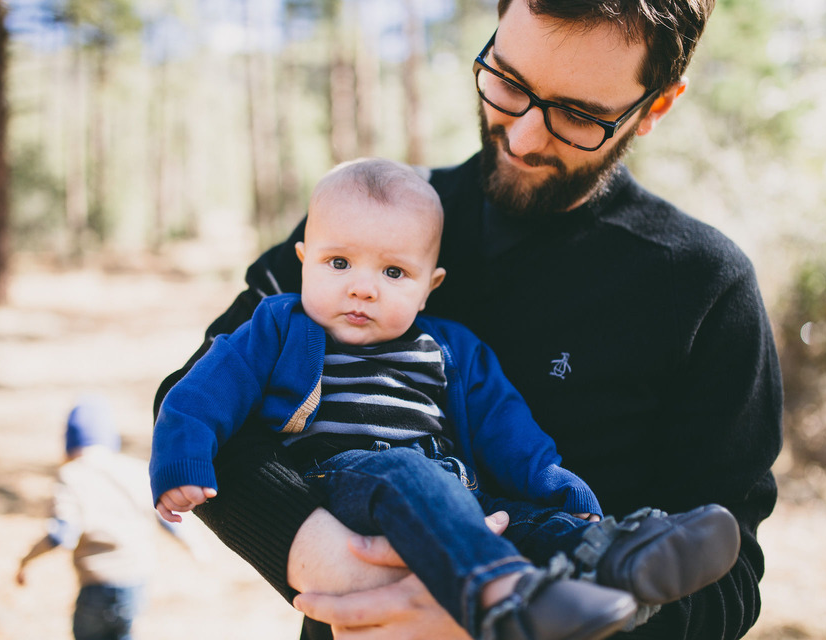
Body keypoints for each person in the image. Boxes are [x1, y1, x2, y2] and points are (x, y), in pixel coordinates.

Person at [153, 1, 784, 639]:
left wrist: (501, 621)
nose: (523, 136)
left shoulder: (703, 286)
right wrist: (341, 565)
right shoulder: (367, 226)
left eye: (578, 115)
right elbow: (193, 396)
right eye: (507, 83)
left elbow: (729, 583)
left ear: (656, 106)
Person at [17, 395, 199, 640]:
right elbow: (167, 517)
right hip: (135, 585)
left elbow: (62, 534)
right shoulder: (135, 470)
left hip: (97, 586)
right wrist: (196, 548)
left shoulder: (71, 475)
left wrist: (26, 561)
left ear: (69, 441)